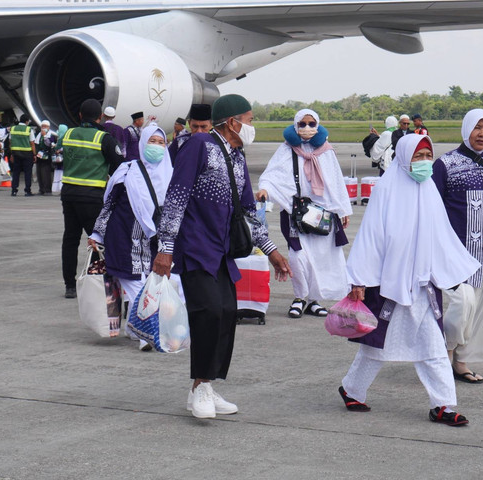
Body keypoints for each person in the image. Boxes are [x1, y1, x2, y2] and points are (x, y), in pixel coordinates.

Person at [152, 93, 292, 419]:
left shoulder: (237, 156)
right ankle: (200, 386)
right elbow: (176, 197)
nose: (251, 126)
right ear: (232, 122)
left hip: (222, 252)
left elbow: (249, 211)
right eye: (250, 120)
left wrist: (271, 251)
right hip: (194, 247)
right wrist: (165, 248)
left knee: (228, 311)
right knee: (209, 311)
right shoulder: (198, 146)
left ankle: (205, 386)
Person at [339, 134, 479, 426]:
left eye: (428, 156)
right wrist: (359, 279)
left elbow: (441, 234)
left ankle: (443, 405)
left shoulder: (429, 189)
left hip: (423, 286)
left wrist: (450, 271)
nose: (425, 163)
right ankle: (352, 389)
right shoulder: (385, 190)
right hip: (389, 283)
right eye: (418, 157)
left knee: (433, 347)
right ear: (404, 157)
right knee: (377, 345)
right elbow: (372, 237)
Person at [432, 109, 483, 383]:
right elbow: (430, 205)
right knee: (462, 303)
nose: (482, 134)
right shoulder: (445, 163)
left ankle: (461, 361)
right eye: (477, 127)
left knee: (480, 308)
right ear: (466, 129)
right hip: (455, 252)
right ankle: (443, 353)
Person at [256, 108, 352, 318]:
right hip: (296, 214)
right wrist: (265, 189)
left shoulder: (326, 151)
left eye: (311, 124)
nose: (307, 128)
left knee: (321, 258)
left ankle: (314, 300)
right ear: (295, 125)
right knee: (298, 256)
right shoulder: (287, 149)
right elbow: (272, 175)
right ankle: (299, 297)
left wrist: (342, 209)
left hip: (323, 215)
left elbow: (336, 181)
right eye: (302, 124)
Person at [89, 123, 174, 351]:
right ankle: (146, 333)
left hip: (152, 241)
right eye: (152, 142)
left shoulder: (171, 174)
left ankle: (133, 328)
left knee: (147, 281)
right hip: (123, 236)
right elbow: (110, 203)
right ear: (143, 143)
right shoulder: (127, 170)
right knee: (133, 281)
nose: (156, 147)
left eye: (160, 143)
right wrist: (97, 233)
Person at [60, 99, 124, 299]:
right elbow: (119, 167)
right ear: (100, 118)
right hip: (92, 197)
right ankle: (93, 279)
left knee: (70, 239)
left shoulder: (68, 134)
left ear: (80, 115)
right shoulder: (104, 138)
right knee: (98, 241)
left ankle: (70, 285)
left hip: (69, 193)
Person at [9, 114, 37, 197]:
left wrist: (12, 154)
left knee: (16, 172)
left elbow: (10, 142)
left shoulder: (13, 128)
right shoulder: (29, 129)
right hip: (27, 154)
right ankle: (27, 191)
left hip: (16, 153)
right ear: (27, 121)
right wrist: (34, 154)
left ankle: (14, 190)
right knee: (27, 173)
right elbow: (32, 143)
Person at [35, 120, 57, 195]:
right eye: (42, 126)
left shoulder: (51, 135)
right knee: (39, 173)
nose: (43, 128)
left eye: (45, 126)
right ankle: (41, 189)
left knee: (46, 174)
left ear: (48, 127)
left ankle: (47, 189)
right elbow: (36, 144)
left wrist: (45, 136)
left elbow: (50, 144)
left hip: (47, 157)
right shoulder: (39, 134)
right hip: (39, 156)